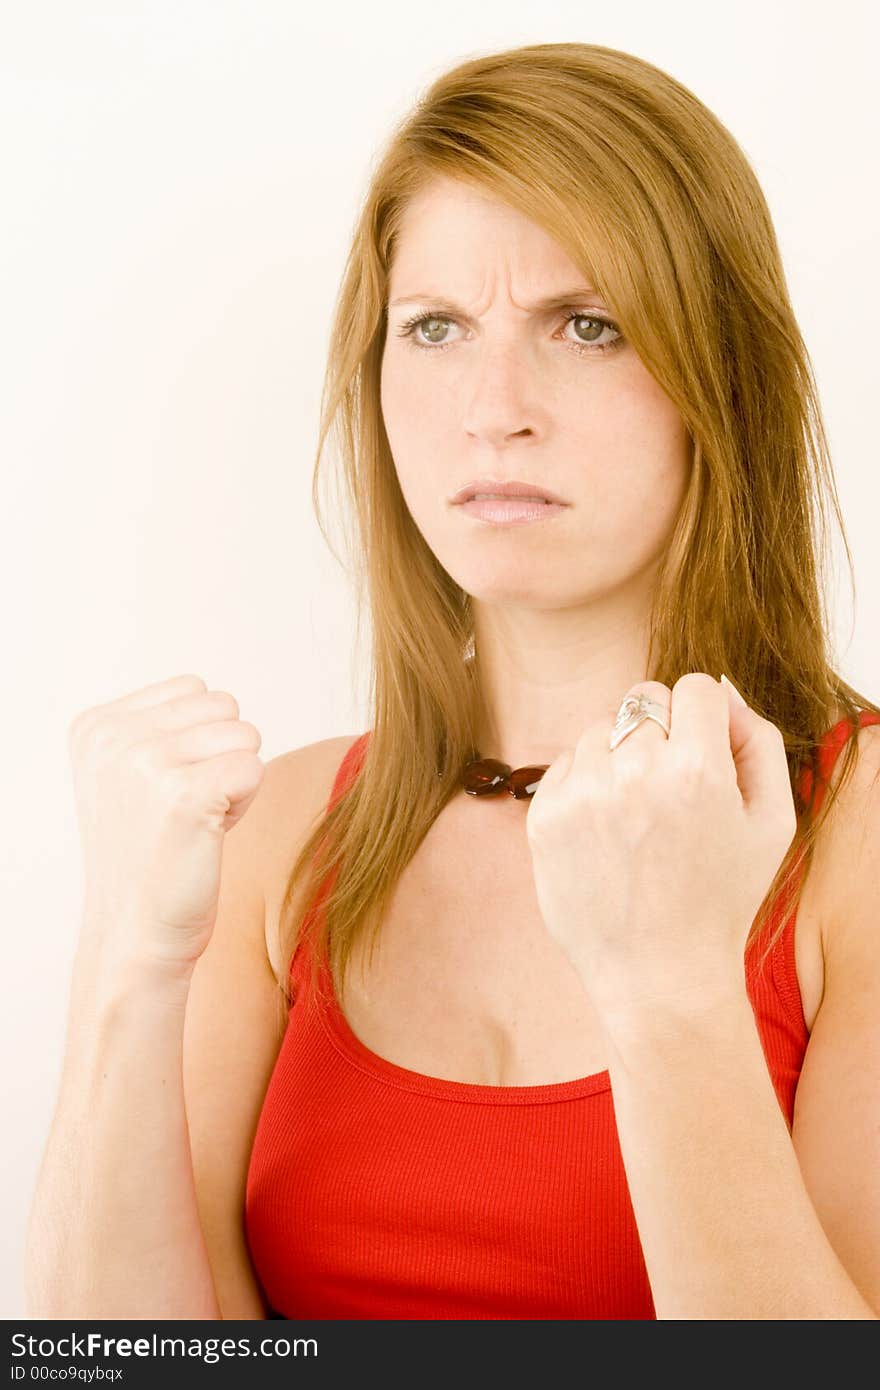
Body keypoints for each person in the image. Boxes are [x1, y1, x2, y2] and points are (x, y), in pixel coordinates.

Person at [26, 42, 880, 1321]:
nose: (493, 407)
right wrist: (124, 960)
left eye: (587, 326)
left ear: (723, 377)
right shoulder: (280, 835)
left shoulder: (852, 833)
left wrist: (666, 987)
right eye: (434, 328)